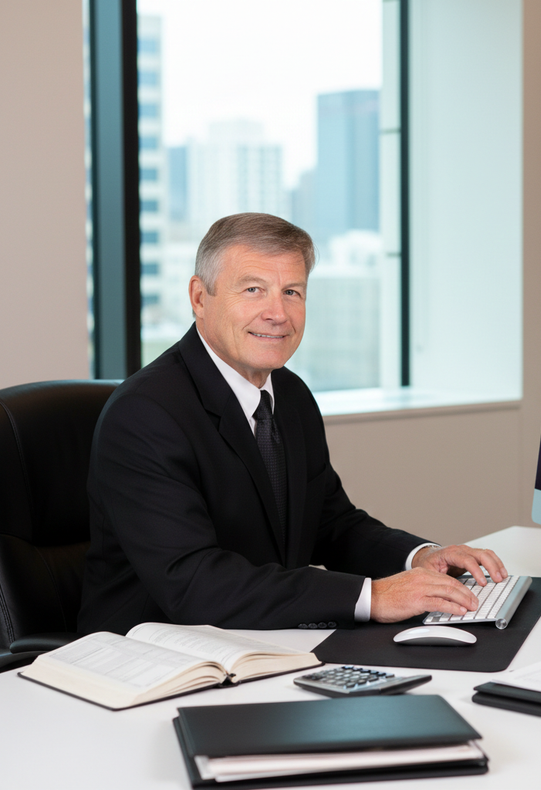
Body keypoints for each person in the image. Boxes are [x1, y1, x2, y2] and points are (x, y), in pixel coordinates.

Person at [78, 213, 507, 635]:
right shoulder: (145, 413)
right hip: (150, 659)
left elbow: (331, 524)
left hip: (263, 642)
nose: (278, 313)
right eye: (253, 289)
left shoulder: (290, 394)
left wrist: (420, 557)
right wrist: (372, 597)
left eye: (292, 292)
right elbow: (193, 581)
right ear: (199, 297)